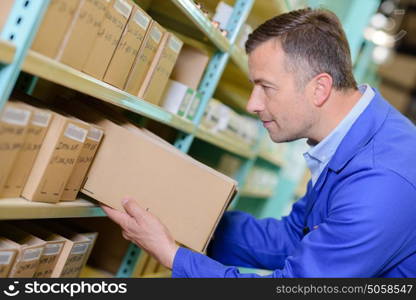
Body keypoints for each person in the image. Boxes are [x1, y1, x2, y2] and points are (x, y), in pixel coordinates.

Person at [102, 8, 416, 277]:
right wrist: (188, 215)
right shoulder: (349, 141)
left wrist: (172, 255)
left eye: (266, 87)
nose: (253, 104)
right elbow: (291, 237)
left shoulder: (382, 182)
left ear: (319, 89)